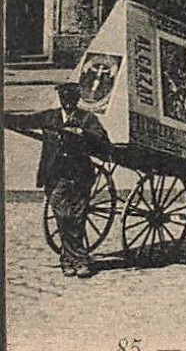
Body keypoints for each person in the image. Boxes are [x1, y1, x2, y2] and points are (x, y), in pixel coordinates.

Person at [4, 82, 110, 277]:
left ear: (77, 100)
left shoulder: (87, 119)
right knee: (63, 217)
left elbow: (103, 141)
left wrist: (83, 134)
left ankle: (71, 260)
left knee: (77, 219)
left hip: (80, 177)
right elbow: (23, 121)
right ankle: (78, 259)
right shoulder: (49, 117)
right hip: (54, 176)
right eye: (64, 99)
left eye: (71, 99)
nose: (68, 103)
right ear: (61, 99)